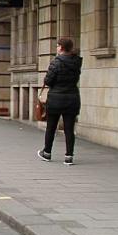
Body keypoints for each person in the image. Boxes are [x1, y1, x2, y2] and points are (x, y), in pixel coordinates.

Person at [37, 37, 82, 166]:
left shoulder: (56, 62)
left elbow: (48, 81)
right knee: (69, 128)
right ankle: (69, 156)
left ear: (61, 47)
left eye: (57, 46)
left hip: (56, 99)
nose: (56, 48)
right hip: (72, 98)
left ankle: (47, 152)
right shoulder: (77, 62)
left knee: (51, 127)